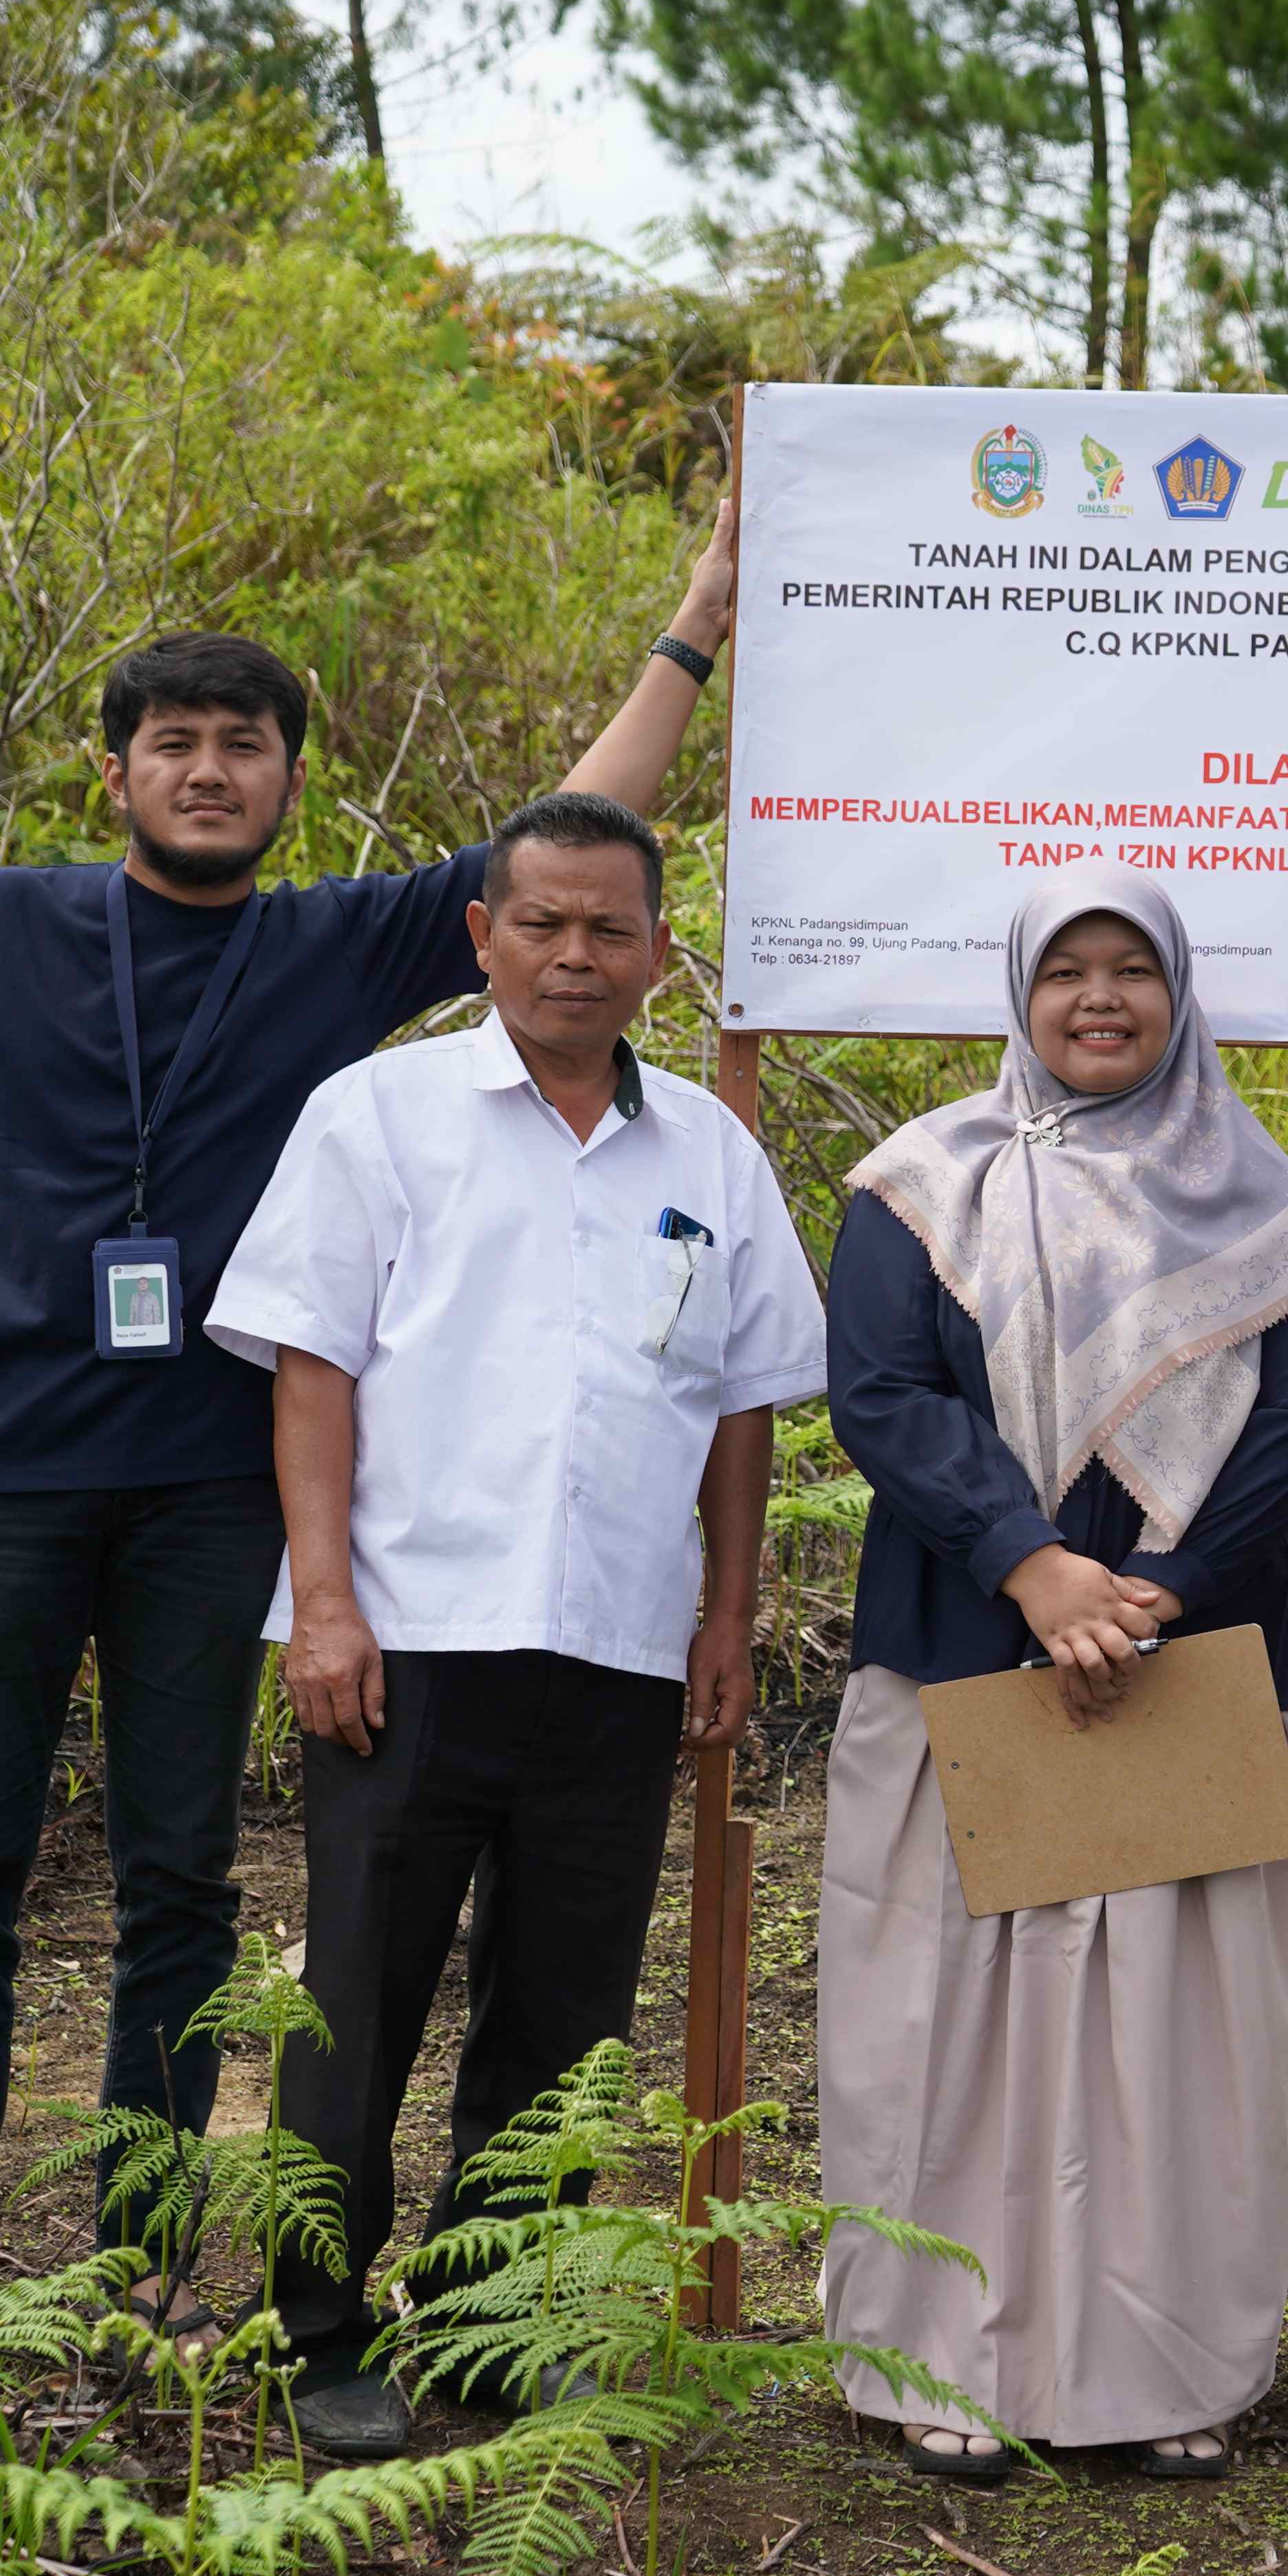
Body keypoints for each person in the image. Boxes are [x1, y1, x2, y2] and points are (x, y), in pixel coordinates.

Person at [0, 503, 740, 2323]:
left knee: (180, 1878)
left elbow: (559, 849)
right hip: (0, 1470)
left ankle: (129, 2255)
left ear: (287, 778)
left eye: (245, 745)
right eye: (175, 743)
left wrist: (694, 627)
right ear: (113, 767)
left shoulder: (329, 951)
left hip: (214, 1483)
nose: (209, 771)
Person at [202, 788, 823, 2456]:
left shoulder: (710, 1152)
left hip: (618, 1647)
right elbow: (311, 1364)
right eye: (539, 921)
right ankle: (319, 2326)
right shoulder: (381, 1114)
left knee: (562, 2019)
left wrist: (729, 1610)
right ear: (481, 934)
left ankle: (482, 2329)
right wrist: (321, 1600)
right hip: (408, 1640)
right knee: (363, 1999)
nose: (572, 952)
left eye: (608, 927)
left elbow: (748, 1399)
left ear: (658, 953)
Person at [816, 863, 1288, 2486]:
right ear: (1020, 995)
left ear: (1183, 994)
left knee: (1177, 2030)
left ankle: (1167, 2364)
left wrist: (1161, 1590)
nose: (1101, 998)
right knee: (944, 2021)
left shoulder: (1265, 1200)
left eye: (1135, 971)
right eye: (1070, 972)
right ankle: (941, 2362)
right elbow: (884, 1394)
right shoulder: (920, 1183)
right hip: (968, 1653)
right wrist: (1033, 1564)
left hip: (1189, 1667)